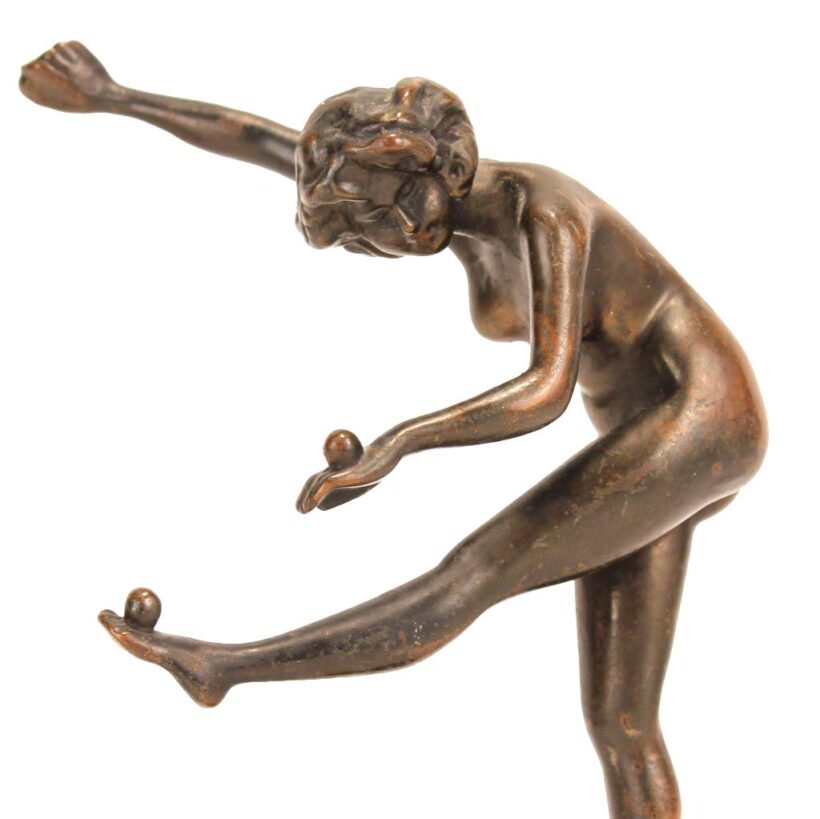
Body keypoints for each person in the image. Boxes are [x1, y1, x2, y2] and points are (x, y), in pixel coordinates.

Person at [20, 41, 767, 819]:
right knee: (621, 723)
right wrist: (115, 96)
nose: (393, 234)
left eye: (388, 216)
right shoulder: (425, 200)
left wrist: (401, 442)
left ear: (423, 179)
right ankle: (225, 667)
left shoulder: (546, 214)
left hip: (702, 414)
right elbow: (263, 140)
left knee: (474, 572)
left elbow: (548, 390)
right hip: (648, 433)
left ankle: (227, 666)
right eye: (371, 226)